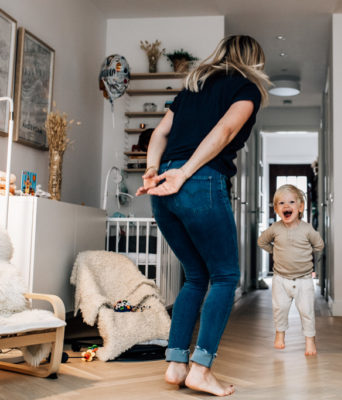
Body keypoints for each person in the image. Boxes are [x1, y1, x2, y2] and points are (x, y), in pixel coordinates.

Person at [136, 35, 269, 396]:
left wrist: (152, 171)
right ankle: (201, 369)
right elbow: (224, 132)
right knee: (224, 276)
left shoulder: (192, 87)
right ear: (253, 59)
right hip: (198, 182)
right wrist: (186, 172)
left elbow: (159, 133)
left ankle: (176, 364)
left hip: (163, 189)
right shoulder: (247, 87)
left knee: (195, 277)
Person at [257, 184, 324, 356]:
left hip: (304, 279)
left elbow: (319, 245)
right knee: (280, 309)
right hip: (280, 279)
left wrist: (308, 254)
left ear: (300, 207)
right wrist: (275, 252)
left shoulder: (307, 229)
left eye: (291, 202)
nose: (286, 206)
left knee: (307, 311)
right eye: (281, 203)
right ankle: (280, 334)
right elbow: (262, 241)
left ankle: (310, 341)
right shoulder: (275, 229)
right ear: (277, 210)